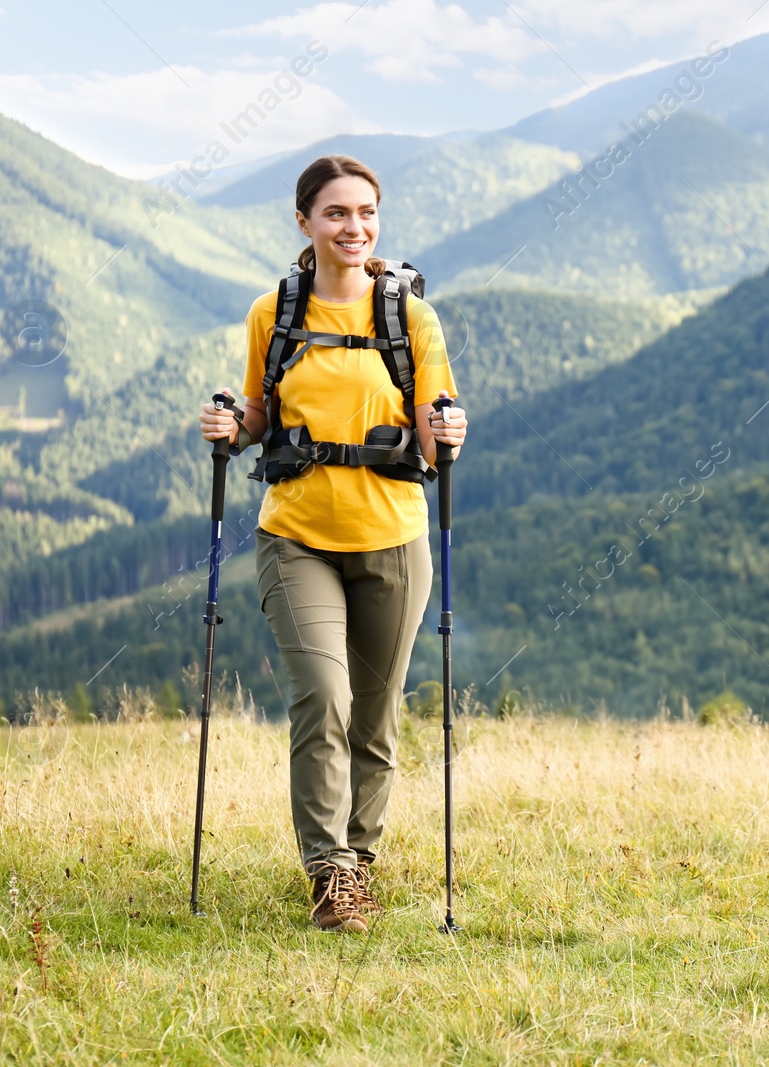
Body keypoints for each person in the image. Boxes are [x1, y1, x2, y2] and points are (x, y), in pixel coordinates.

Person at [199, 155, 467, 933]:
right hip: (296, 536)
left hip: (393, 537)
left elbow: (434, 421)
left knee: (376, 715)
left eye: (367, 213)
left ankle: (361, 855)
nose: (356, 228)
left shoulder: (411, 317)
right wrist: (228, 422)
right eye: (337, 214)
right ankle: (331, 876)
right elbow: (258, 416)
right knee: (324, 696)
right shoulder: (272, 313)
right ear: (305, 222)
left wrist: (450, 428)